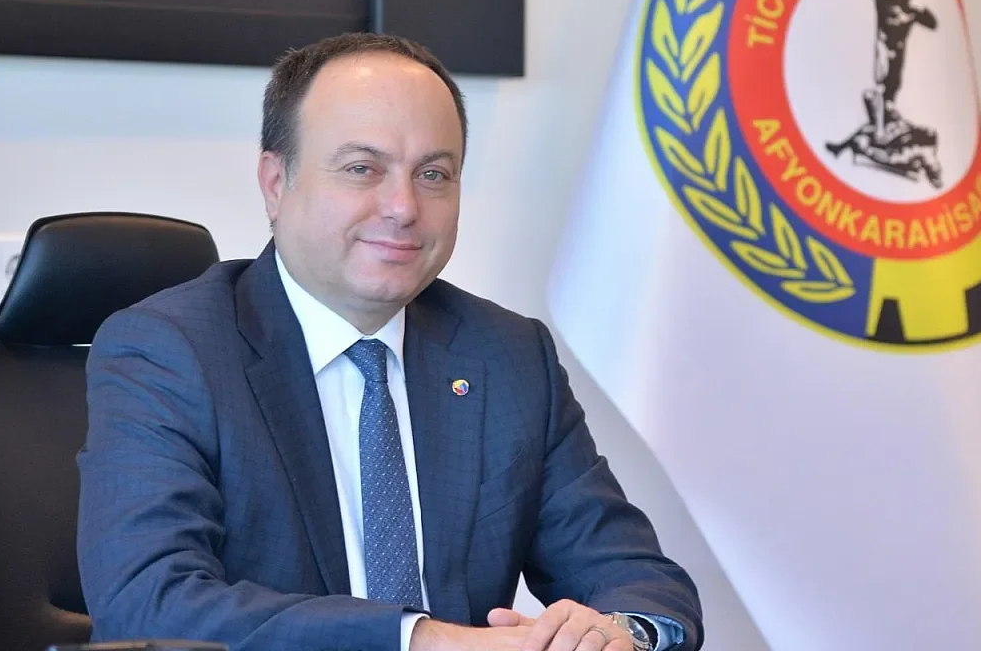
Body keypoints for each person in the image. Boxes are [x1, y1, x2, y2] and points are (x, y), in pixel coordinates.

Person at [76, 32, 703, 651]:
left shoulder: (507, 355)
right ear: (275, 182)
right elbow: (147, 606)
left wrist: (619, 633)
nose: (404, 207)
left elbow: (641, 581)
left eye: (434, 174)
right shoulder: (170, 350)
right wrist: (423, 641)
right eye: (362, 169)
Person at [857, 0, 937, 142]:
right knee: (880, 87)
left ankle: (886, 121)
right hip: (883, 49)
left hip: (899, 53)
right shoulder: (885, 2)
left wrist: (925, 7)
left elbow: (932, 24)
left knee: (893, 88)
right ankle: (879, 130)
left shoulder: (912, 13)